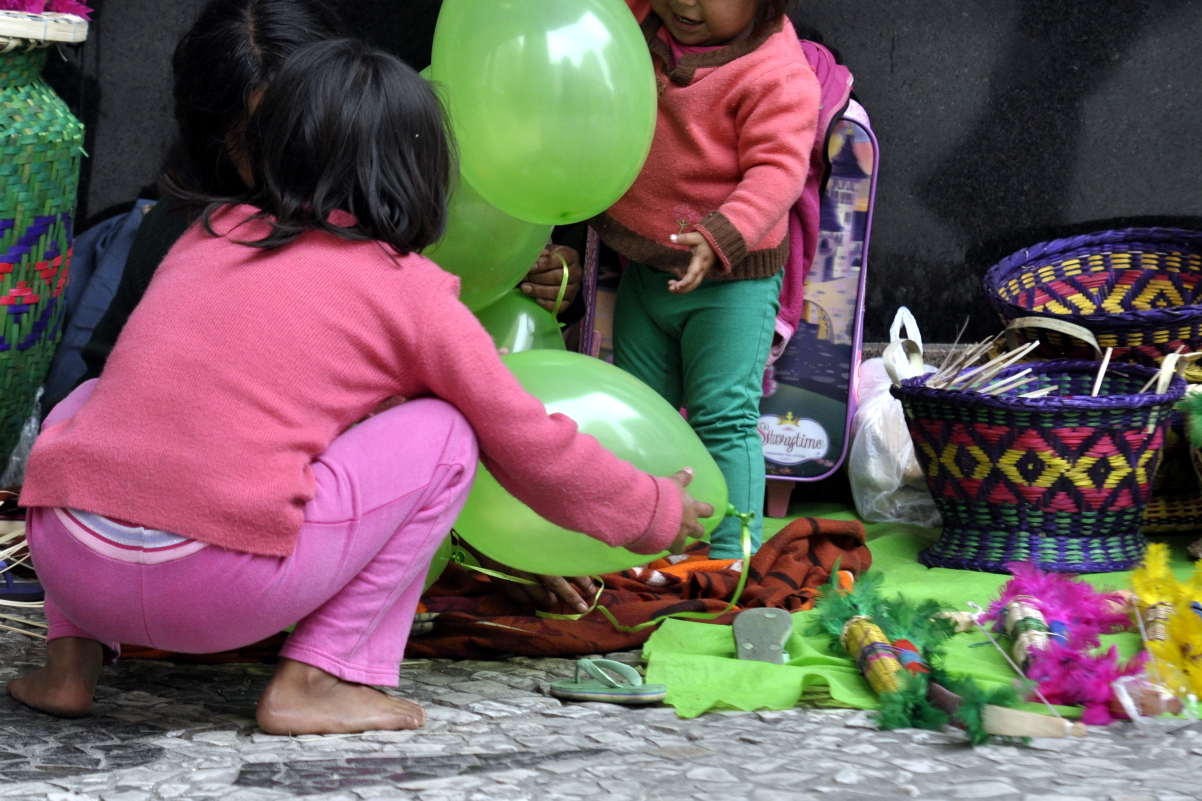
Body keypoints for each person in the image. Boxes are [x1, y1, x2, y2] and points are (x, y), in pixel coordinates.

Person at [7, 39, 712, 735]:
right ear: (420, 174)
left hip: (73, 566)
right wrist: (650, 508)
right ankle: (315, 680)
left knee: (92, 401)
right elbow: (527, 441)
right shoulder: (410, 291)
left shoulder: (209, 232)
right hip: (216, 590)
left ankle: (70, 669)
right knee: (449, 434)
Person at [62, 0, 590, 613]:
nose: (302, 159)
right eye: (266, 140)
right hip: (234, 545)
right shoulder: (188, 236)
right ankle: (325, 673)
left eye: (313, 131)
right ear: (217, 137)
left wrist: (507, 533)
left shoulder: (385, 218)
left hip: (112, 567)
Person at [589, 0, 819, 558]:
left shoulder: (775, 71)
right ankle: (651, 543)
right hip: (648, 267)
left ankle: (731, 554)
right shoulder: (642, 24)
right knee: (646, 415)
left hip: (731, 285)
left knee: (724, 417)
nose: (685, 3)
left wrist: (723, 234)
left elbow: (779, 168)